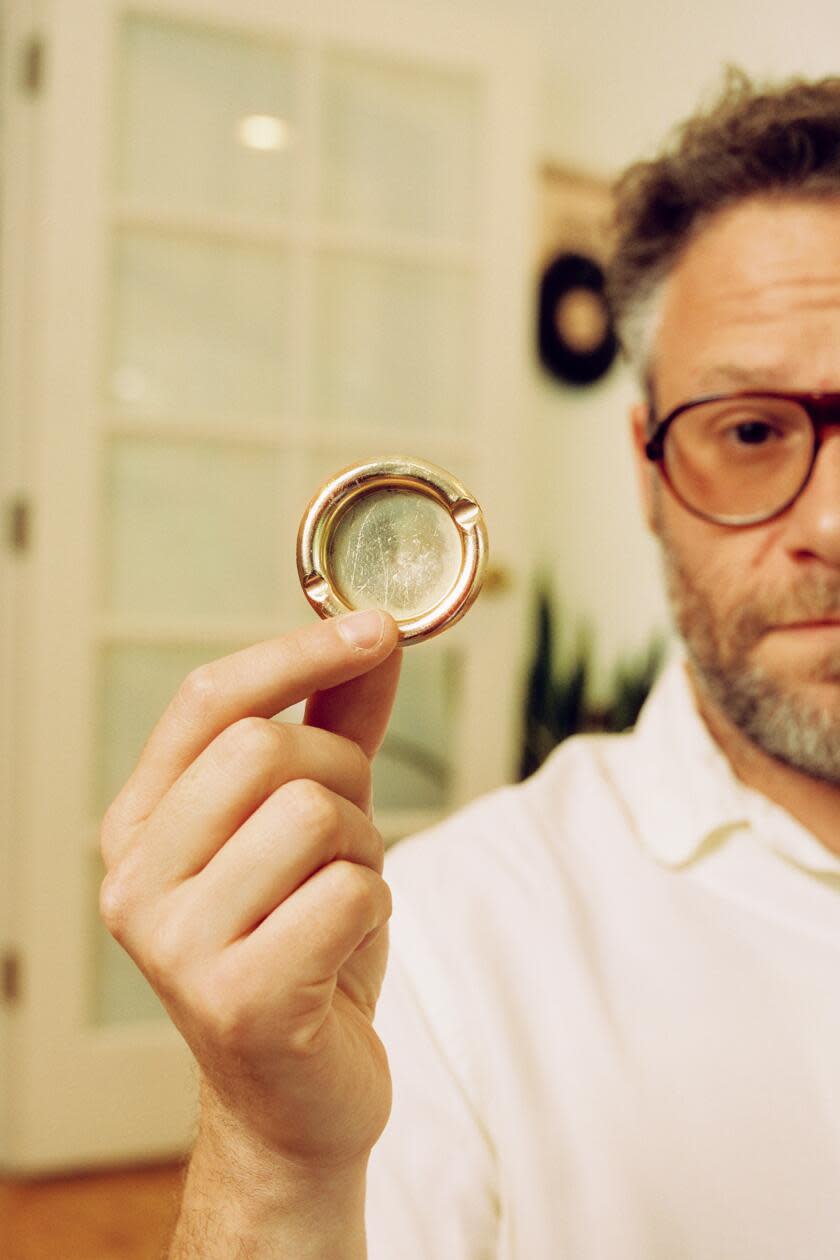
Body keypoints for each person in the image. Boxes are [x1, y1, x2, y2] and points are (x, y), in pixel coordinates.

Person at [100, 69, 840, 1258]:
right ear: (649, 473)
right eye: (750, 430)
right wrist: (270, 1155)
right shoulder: (439, 945)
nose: (834, 523)